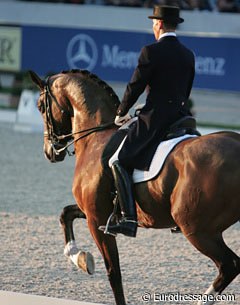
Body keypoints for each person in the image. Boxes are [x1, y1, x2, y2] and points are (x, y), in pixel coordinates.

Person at [99, 5, 195, 238]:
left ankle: (129, 219)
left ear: (159, 24)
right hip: (182, 119)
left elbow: (135, 86)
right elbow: (186, 90)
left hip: (155, 119)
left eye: (154, 23)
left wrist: (122, 111)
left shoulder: (150, 52)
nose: (153, 26)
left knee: (117, 161)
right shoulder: (188, 54)